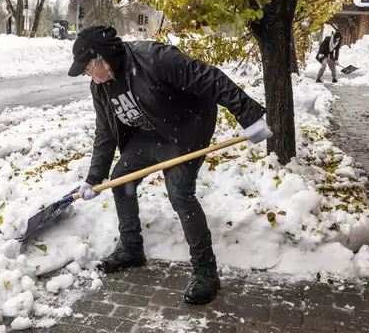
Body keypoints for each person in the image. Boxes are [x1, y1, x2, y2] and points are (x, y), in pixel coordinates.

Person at [67, 25, 272, 305]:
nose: (87, 74)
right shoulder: (100, 88)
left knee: (180, 193)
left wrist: (248, 114)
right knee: (121, 180)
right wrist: (94, 178)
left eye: (88, 67)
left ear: (103, 57)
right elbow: (104, 132)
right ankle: (131, 249)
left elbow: (210, 79)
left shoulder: (154, 58)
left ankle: (206, 272)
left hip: (186, 128)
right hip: (149, 133)